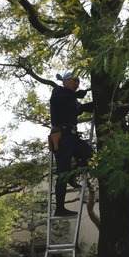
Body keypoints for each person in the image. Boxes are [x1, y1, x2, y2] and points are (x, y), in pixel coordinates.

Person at [49, 72, 94, 217]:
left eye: (78, 82)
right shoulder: (58, 91)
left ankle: (71, 175)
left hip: (73, 137)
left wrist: (99, 101)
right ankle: (60, 208)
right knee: (62, 171)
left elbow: (82, 108)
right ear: (65, 81)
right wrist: (75, 95)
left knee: (90, 155)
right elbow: (56, 102)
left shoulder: (73, 100)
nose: (76, 84)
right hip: (61, 136)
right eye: (75, 81)